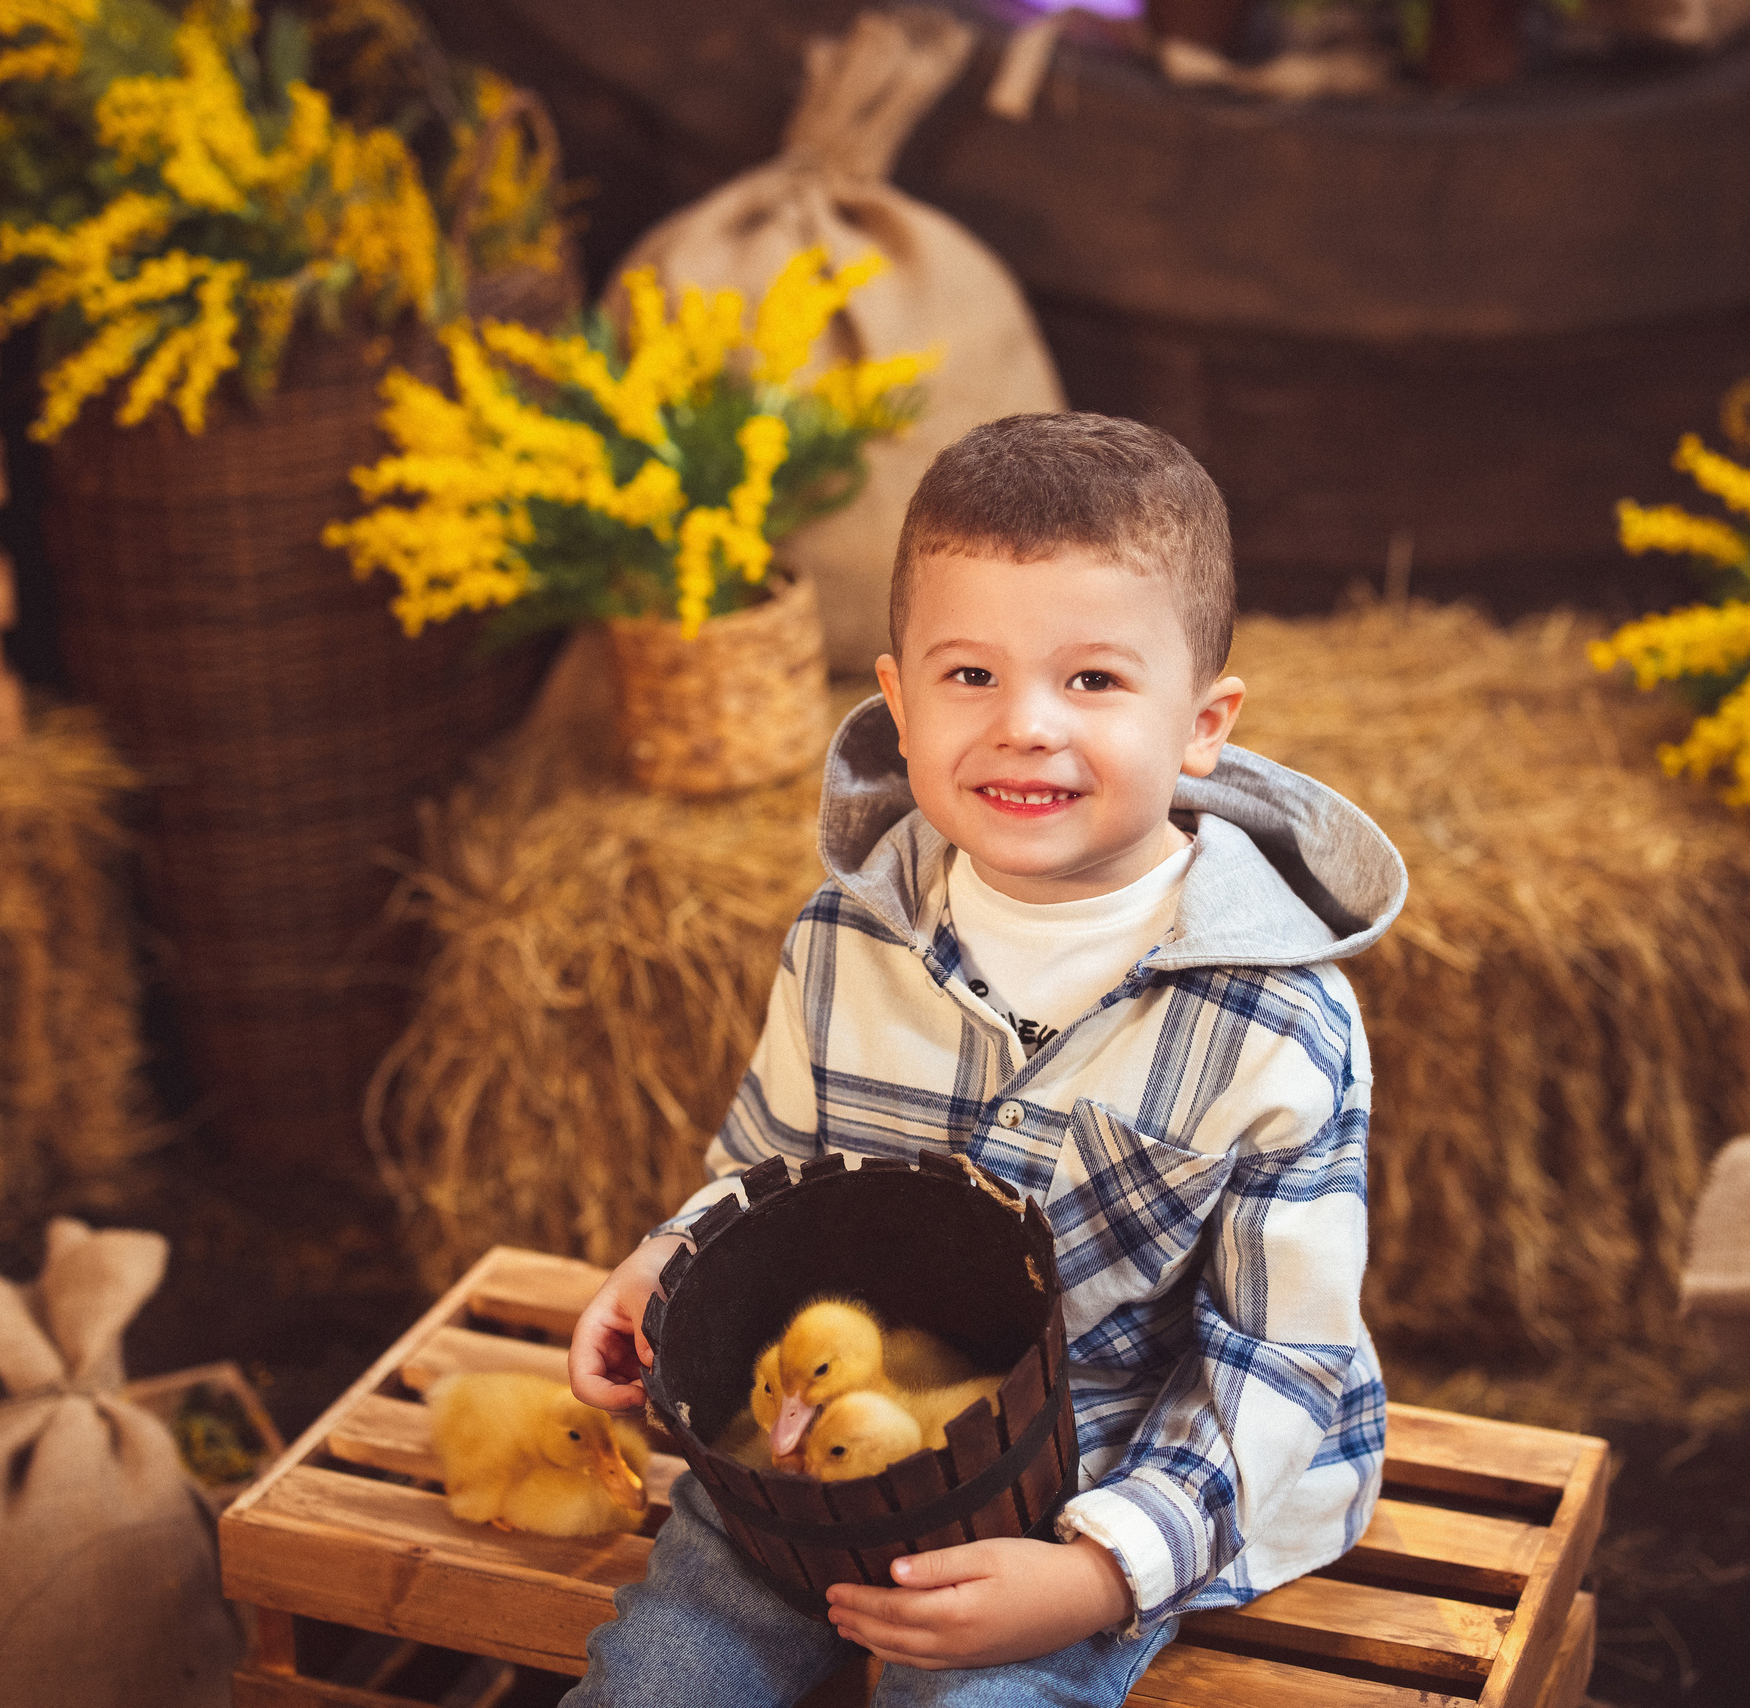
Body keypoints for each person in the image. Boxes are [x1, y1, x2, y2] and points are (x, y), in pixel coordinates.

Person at [563, 413, 1408, 1706]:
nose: (1024, 726)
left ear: (1202, 723)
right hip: (818, 1447)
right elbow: (766, 1174)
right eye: (969, 677)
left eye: (1094, 682)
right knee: (655, 1683)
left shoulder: (1272, 1025)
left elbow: (1276, 1355)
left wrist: (1100, 1572)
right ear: (897, 701)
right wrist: (667, 1265)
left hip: (1092, 1484)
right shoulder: (849, 934)